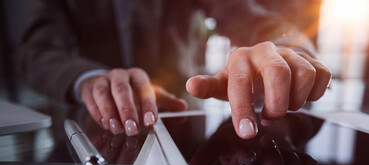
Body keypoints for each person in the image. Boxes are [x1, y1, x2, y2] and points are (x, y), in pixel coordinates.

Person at [17, 0, 331, 139]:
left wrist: (288, 49)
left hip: (183, 123)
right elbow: (36, 51)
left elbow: (251, 17)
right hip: (88, 127)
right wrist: (89, 81)